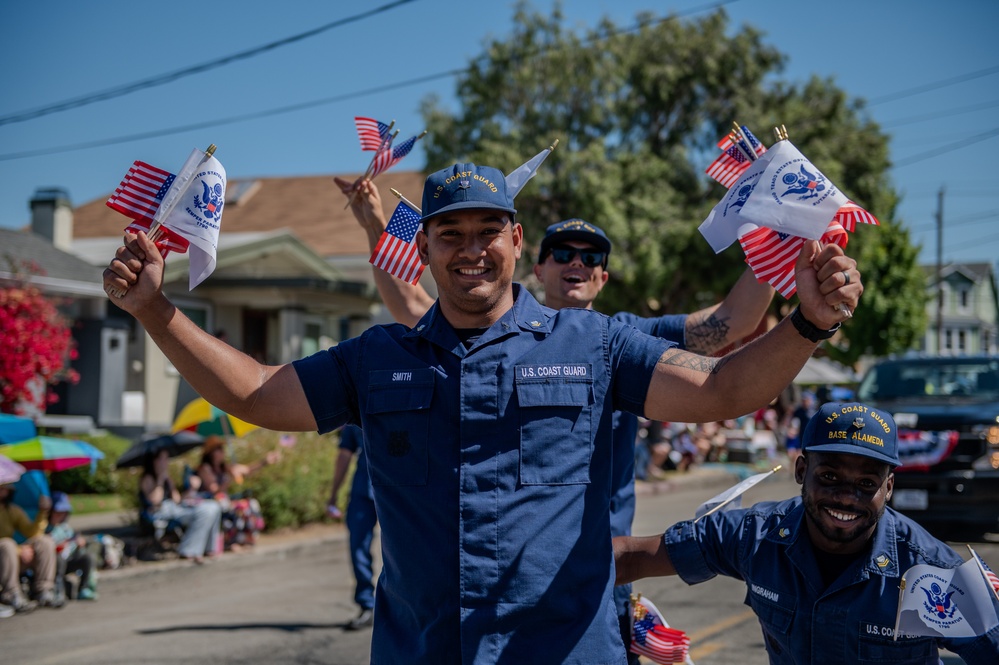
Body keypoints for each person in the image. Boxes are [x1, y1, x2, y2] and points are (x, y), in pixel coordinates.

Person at [104, 160, 860, 663]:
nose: (470, 249)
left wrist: (808, 324)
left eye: (486, 230)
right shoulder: (377, 358)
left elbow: (721, 390)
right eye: (449, 233)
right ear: (424, 247)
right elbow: (255, 393)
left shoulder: (595, 342)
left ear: (515, 239)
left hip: (565, 651)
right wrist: (154, 309)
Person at [333, 174, 778, 660]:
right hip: (493, 588)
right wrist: (376, 224)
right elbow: (411, 303)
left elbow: (732, 323)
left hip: (596, 580)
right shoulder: (480, 340)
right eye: (563, 253)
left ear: (603, 277)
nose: (577, 263)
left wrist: (785, 229)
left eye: (591, 257)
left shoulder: (622, 339)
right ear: (537, 267)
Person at [613, 401, 999, 664]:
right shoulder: (755, 535)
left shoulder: (931, 574)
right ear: (801, 471)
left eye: (867, 483)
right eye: (829, 476)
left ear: (889, 488)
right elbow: (629, 557)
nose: (847, 497)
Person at [326, 424, 376, 630]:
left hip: (402, 487)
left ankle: (412, 607)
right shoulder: (356, 406)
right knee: (358, 547)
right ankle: (368, 605)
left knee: (406, 548)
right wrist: (334, 493)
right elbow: (344, 454)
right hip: (364, 488)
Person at [140, 449, 223, 563]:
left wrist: (191, 489)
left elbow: (177, 499)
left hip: (174, 508)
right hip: (160, 511)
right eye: (162, 459)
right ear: (154, 461)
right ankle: (189, 550)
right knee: (205, 512)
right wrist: (160, 479)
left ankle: (209, 548)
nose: (166, 462)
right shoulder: (148, 478)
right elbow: (155, 500)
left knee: (213, 507)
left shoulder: (167, 478)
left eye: (166, 459)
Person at [195, 436, 276, 550]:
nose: (223, 452)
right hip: (211, 501)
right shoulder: (205, 468)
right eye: (219, 449)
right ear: (211, 453)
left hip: (225, 500)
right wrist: (228, 480)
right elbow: (214, 490)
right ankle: (230, 542)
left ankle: (246, 537)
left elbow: (247, 470)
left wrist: (265, 462)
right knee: (234, 507)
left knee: (250, 503)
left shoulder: (224, 467)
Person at [0, 483, 59, 611]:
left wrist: (43, 512)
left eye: (5, 488)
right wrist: (19, 550)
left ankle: (44, 591)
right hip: (4, 553)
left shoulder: (11, 510)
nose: (2, 491)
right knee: (7, 545)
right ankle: (11, 594)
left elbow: (32, 532)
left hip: (11, 557)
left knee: (45, 542)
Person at [46, 491, 99, 601]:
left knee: (88, 558)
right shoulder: (46, 528)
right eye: (57, 512)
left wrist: (78, 542)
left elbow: (72, 541)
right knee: (59, 559)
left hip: (69, 559)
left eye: (63, 512)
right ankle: (58, 589)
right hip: (54, 562)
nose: (60, 515)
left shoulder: (65, 527)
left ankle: (84, 588)